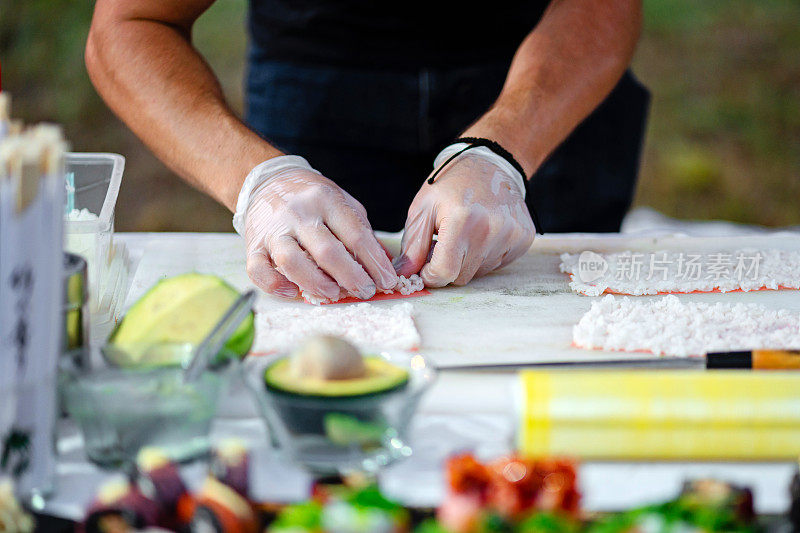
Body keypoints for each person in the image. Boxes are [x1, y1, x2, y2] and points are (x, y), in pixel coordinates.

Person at [86, 0, 649, 302]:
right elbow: (131, 22)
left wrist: (502, 151)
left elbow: (601, 6)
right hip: (316, 74)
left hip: (544, 71)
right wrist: (262, 181)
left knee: (565, 326)